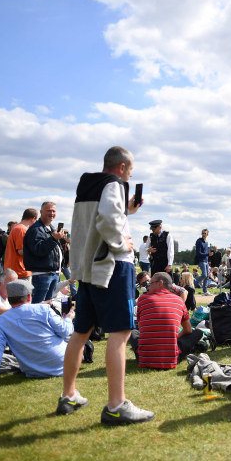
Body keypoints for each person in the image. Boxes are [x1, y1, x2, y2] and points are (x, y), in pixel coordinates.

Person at [59, 146, 154, 425]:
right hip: (113, 266)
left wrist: (128, 211)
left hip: (88, 269)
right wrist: (120, 243)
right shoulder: (115, 184)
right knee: (121, 332)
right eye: (131, 170)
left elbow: (97, 220)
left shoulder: (88, 185)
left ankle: (69, 395)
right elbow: (108, 220)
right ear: (122, 167)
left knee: (80, 332)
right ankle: (116, 405)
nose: (131, 175)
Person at [0, 280, 75, 392]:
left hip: (34, 371)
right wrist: (68, 319)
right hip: (65, 365)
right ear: (29, 297)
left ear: (9, 298)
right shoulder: (44, 309)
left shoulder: (0, 322)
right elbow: (65, 331)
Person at [130, 272, 201, 369]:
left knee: (133, 332)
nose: (148, 286)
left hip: (144, 359)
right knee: (198, 333)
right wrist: (175, 338)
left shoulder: (142, 299)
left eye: (150, 283)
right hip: (171, 359)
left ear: (160, 283)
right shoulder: (179, 300)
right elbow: (188, 330)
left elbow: (142, 328)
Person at [23, 202, 67, 304]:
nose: (51, 213)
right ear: (41, 212)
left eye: (53, 211)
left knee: (48, 303)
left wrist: (59, 239)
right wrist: (53, 239)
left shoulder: (51, 228)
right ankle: (34, 320)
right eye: (49, 211)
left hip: (53, 273)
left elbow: (53, 249)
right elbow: (38, 250)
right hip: (42, 274)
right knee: (39, 304)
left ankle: (43, 320)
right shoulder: (35, 229)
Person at [4, 208, 38, 280]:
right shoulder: (21, 229)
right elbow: (21, 251)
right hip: (20, 270)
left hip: (16, 270)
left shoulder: (17, 228)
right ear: (33, 218)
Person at [194, 229, 213, 295]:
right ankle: (194, 284)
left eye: (205, 233)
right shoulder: (199, 241)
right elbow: (198, 253)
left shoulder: (206, 242)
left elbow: (206, 252)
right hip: (201, 261)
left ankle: (205, 291)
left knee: (207, 276)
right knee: (204, 275)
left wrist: (208, 258)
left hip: (206, 261)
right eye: (203, 233)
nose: (204, 234)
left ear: (207, 234)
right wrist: (208, 254)